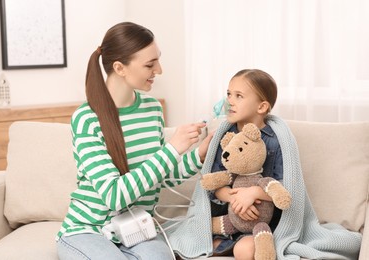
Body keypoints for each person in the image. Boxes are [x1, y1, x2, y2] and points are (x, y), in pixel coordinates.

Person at [56, 21, 212, 260]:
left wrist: (198, 155)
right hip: (87, 230)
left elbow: (159, 176)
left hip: (136, 228)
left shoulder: (152, 109)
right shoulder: (87, 119)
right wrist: (172, 149)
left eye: (158, 60)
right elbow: (114, 195)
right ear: (120, 68)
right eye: (150, 64)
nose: (159, 70)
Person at [209, 69, 283, 259]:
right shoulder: (225, 138)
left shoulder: (275, 141)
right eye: (228, 94)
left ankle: (236, 243)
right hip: (229, 215)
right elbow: (216, 184)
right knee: (202, 237)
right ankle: (222, 241)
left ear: (261, 107)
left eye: (239, 96)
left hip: (260, 220)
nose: (230, 101)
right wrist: (236, 199)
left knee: (245, 250)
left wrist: (252, 193)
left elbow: (282, 187)